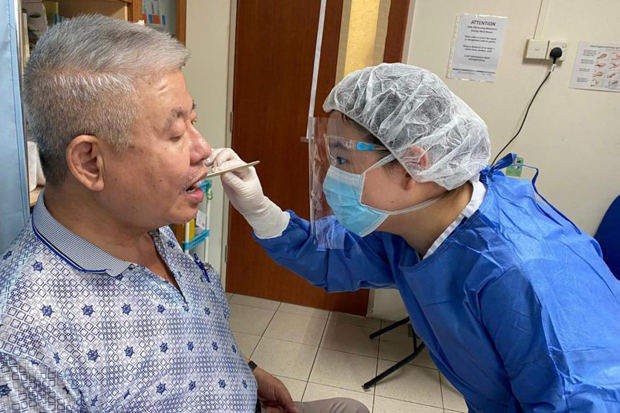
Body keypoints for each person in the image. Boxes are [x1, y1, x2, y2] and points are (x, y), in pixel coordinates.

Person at [0, 15, 369, 413]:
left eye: (193, 120)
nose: (203, 150)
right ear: (90, 162)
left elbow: (185, 328)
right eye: (176, 134)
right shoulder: (25, 344)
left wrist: (248, 371)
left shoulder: (145, 223)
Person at [209, 63, 620, 412]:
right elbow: (330, 256)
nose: (333, 175)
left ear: (411, 166)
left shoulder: (522, 271)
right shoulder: (411, 224)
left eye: (341, 158)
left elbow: (584, 394)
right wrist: (258, 208)